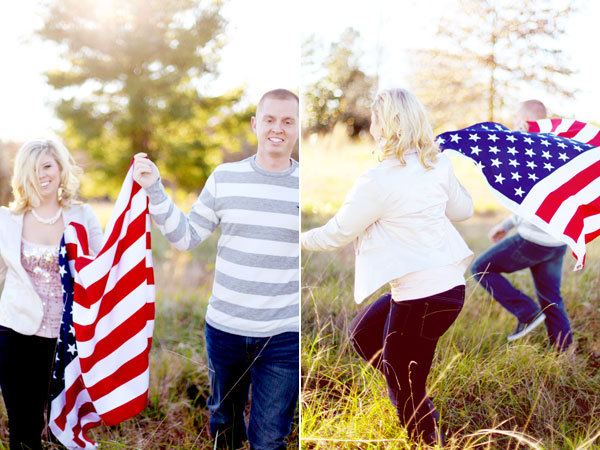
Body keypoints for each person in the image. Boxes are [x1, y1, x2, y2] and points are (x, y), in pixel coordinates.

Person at [301, 88, 474, 446]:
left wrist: (296, 238)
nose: (371, 123)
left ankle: (425, 431)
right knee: (363, 334)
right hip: (449, 291)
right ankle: (412, 391)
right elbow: (464, 210)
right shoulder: (437, 164)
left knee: (406, 391)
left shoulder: (378, 180)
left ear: (390, 123)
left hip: (422, 298)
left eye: (376, 117)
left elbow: (337, 234)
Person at [132, 89, 299, 449]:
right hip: (225, 330)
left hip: (283, 335)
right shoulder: (225, 178)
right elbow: (186, 237)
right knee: (225, 427)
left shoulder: (305, 186)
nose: (278, 128)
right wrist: (155, 189)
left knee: (270, 439)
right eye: (270, 119)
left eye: (288, 121)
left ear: (298, 128)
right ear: (256, 124)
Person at [0, 140, 103, 450]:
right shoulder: (6, 220)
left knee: (64, 428)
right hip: (16, 333)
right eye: (33, 168)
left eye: (47, 165)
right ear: (22, 175)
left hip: (67, 338)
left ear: (60, 168)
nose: (41, 174)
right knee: (24, 427)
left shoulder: (83, 215)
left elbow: (102, 267)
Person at [470, 100, 572, 351]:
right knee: (551, 297)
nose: (513, 126)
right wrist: (507, 224)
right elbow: (532, 202)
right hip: (557, 240)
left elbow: (524, 198)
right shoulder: (555, 151)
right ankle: (564, 349)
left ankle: (527, 312)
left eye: (516, 121)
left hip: (532, 240)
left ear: (527, 122)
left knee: (481, 268)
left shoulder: (529, 150)